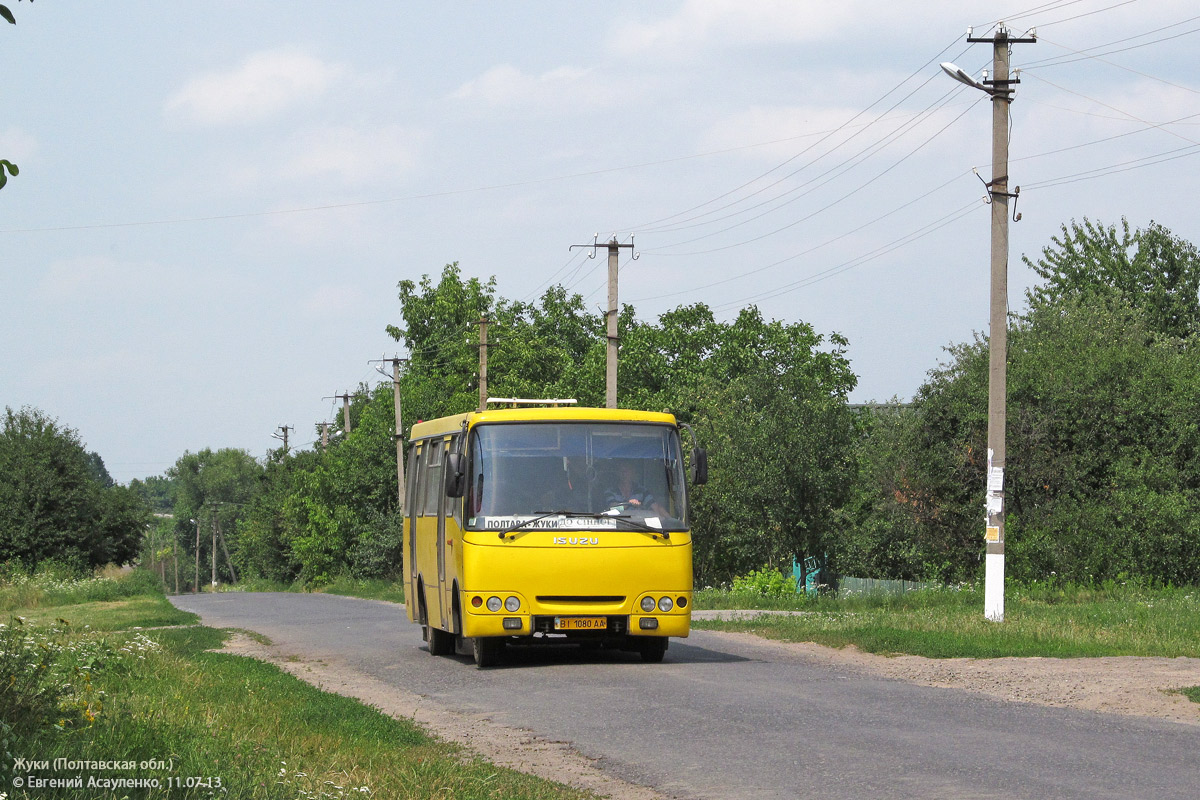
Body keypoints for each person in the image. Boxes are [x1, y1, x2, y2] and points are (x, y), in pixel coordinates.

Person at [603, 461, 667, 516]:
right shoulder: (610, 491)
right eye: (621, 471)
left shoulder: (642, 491)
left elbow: (655, 506)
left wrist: (671, 521)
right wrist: (629, 503)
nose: (624, 474)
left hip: (639, 525)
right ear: (618, 473)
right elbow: (612, 508)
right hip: (618, 526)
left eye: (627, 471)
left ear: (632, 473)